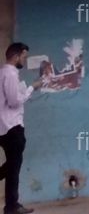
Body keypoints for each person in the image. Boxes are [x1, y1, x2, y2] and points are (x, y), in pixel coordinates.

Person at [0, 43, 40, 214]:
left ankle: (11, 206)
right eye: (24, 56)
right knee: (13, 167)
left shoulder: (4, 73)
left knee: (13, 167)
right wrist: (32, 87)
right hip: (12, 127)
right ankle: (12, 207)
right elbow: (14, 101)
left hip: (6, 126)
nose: (24, 59)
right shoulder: (9, 74)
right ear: (16, 56)